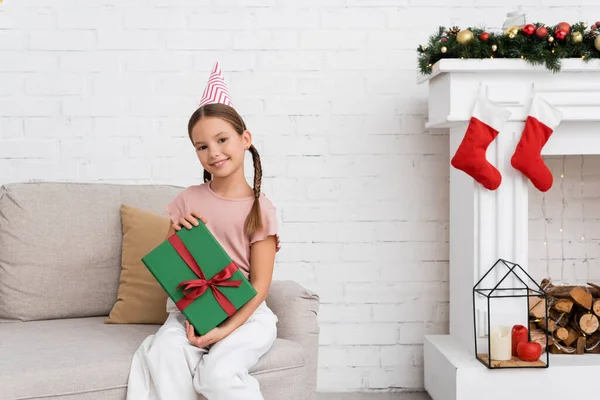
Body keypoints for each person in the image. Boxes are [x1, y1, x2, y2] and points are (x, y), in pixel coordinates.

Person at [126, 62, 280, 400]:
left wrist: (224, 330)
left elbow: (260, 285)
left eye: (222, 139)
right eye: (202, 146)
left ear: (245, 139)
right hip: (190, 311)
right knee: (163, 356)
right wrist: (176, 237)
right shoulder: (187, 200)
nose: (214, 152)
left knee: (217, 377)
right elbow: (171, 269)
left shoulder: (261, 208)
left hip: (245, 317)